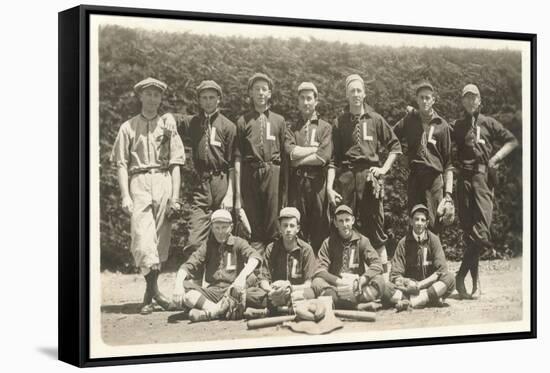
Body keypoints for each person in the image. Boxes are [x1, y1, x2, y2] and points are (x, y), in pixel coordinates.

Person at [110, 77, 186, 315]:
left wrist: (175, 197)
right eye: (148, 94)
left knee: (161, 240)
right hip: (139, 182)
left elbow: (176, 164)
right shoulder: (127, 127)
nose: (152, 98)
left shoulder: (168, 126)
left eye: (156, 94)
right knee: (143, 239)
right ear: (140, 96)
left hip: (163, 180)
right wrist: (125, 195)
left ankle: (149, 295)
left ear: (161, 98)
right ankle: (153, 293)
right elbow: (121, 164)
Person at [327, 74, 402, 277]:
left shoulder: (375, 119)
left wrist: (383, 169)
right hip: (347, 177)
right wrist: (330, 187)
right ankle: (343, 275)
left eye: (359, 90)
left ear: (365, 93)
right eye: (352, 91)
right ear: (346, 94)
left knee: (375, 226)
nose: (356, 94)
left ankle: (383, 278)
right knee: (343, 224)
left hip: (370, 177)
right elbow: (333, 159)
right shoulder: (339, 122)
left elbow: (395, 146)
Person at [452, 84, 518, 299]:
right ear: (462, 102)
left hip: (482, 179)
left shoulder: (489, 122)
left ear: (480, 100)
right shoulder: (458, 126)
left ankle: (460, 276)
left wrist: (496, 158)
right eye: (467, 98)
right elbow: (441, 135)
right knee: (470, 232)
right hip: (464, 181)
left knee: (481, 233)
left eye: (474, 98)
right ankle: (474, 284)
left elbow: (512, 141)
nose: (471, 101)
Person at [163, 80, 237, 256]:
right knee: (195, 238)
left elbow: (234, 164)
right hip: (201, 184)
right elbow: (171, 117)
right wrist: (168, 117)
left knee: (224, 233)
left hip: (222, 182)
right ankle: (195, 278)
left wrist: (230, 194)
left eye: (212, 97)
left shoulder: (228, 126)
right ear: (199, 100)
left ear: (219, 99)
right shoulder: (193, 122)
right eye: (204, 98)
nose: (208, 101)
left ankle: (223, 277)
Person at [171, 209, 261, 322]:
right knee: (186, 292)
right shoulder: (208, 246)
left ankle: (210, 312)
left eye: (224, 227)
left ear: (231, 227)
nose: (220, 231)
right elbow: (188, 265)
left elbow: (255, 257)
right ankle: (219, 311)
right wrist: (178, 286)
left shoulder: (239, 242)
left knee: (255, 289)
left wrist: (241, 278)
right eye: (217, 228)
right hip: (213, 292)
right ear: (212, 228)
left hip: (233, 289)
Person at [234, 73, 287, 255]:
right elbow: (238, 157)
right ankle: (256, 268)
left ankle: (273, 264)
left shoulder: (279, 121)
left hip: (273, 172)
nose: (260, 93)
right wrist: (238, 192)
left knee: (273, 220)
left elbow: (285, 155)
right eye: (256, 89)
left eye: (264, 89)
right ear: (250, 93)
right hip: (251, 174)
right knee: (254, 220)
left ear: (270, 93)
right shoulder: (242, 121)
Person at [393, 82, 454, 233]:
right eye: (421, 98)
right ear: (417, 99)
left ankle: (434, 256)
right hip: (415, 178)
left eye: (428, 98)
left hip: (433, 179)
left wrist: (448, 194)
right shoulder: (409, 120)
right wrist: (400, 156)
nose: (425, 101)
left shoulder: (442, 125)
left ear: (433, 100)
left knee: (434, 224)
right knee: (414, 221)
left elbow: (448, 163)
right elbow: (391, 137)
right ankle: (417, 257)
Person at [284, 82, 332, 253]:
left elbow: (323, 157)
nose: (306, 102)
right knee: (298, 223)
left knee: (320, 225)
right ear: (298, 102)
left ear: (316, 101)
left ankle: (320, 268)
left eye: (309, 98)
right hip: (297, 184)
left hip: (318, 183)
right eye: (302, 98)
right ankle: (301, 265)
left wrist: (300, 160)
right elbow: (290, 152)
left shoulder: (325, 127)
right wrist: (313, 149)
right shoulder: (291, 128)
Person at [245, 207, 317, 317]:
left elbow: (308, 283)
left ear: (298, 228)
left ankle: (270, 311)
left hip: (295, 291)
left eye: (292, 226)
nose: (288, 229)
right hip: (274, 293)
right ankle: (286, 309)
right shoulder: (271, 248)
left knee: (311, 294)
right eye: (285, 225)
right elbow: (264, 278)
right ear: (280, 228)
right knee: (249, 295)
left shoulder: (306, 249)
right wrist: (272, 291)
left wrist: (290, 288)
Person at [311, 205, 386, 310]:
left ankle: (345, 303)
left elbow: (377, 265)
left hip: (357, 288)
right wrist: (338, 281)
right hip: (336, 288)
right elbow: (320, 270)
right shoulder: (328, 242)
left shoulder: (362, 241)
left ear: (353, 221)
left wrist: (361, 280)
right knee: (317, 282)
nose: (344, 224)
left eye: (347, 220)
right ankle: (358, 306)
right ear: (335, 223)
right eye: (340, 221)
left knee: (380, 280)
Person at [387, 204, 456, 310]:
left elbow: (441, 270)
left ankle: (415, 301)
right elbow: (395, 275)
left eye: (423, 220)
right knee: (385, 287)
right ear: (411, 221)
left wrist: (420, 285)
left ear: (427, 223)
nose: (419, 223)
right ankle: (430, 299)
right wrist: (408, 283)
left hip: (429, 287)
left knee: (450, 278)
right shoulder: (403, 243)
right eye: (416, 219)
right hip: (409, 289)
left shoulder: (434, 240)